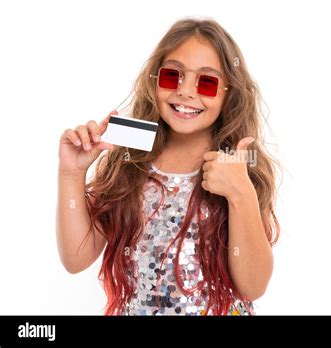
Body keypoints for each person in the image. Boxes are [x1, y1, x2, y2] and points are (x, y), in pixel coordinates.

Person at [56, 18, 279, 315]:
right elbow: (76, 258)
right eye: (173, 76)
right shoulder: (130, 154)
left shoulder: (234, 164)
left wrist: (241, 195)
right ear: (154, 80)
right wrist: (71, 173)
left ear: (229, 93)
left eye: (207, 82)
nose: (186, 92)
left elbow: (253, 285)